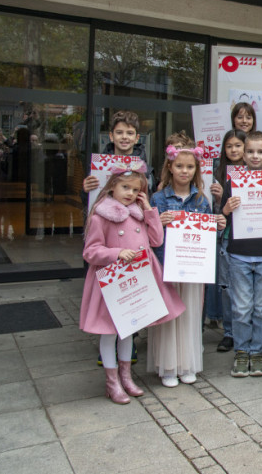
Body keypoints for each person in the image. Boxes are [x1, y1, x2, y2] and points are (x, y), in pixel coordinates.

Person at [79, 164, 185, 404]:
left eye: (135, 189)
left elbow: (157, 240)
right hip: (113, 282)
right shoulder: (100, 216)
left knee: (128, 331)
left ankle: (126, 377)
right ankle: (112, 381)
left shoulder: (139, 211)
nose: (129, 193)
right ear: (112, 186)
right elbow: (91, 251)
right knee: (109, 333)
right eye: (125, 187)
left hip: (137, 278)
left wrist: (149, 210)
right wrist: (116, 252)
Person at [149, 141, 224, 387]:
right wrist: (157, 222)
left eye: (190, 166)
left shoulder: (202, 200)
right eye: (179, 166)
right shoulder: (158, 198)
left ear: (196, 169)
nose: (184, 171)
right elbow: (149, 237)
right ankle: (169, 366)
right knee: (169, 316)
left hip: (192, 268)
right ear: (170, 167)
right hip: (167, 265)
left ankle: (188, 364)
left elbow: (207, 236)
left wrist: (217, 225)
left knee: (191, 315)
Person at [83, 110, 154, 366]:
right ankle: (106, 344)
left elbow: (148, 195)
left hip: (133, 240)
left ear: (137, 138)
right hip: (107, 239)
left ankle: (129, 341)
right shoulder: (99, 165)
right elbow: (92, 203)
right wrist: (86, 189)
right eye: (120, 132)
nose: (125, 137)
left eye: (130, 133)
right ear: (111, 135)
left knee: (131, 293)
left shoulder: (144, 165)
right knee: (106, 296)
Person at [220, 131, 262, 378]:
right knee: (241, 308)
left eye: (260, 152)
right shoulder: (233, 183)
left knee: (260, 308)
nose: (255, 156)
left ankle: (257, 352)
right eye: (250, 151)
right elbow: (221, 217)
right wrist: (225, 209)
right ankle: (241, 352)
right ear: (243, 155)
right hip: (238, 255)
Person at [210, 130, 245, 352]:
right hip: (225, 236)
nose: (233, 150)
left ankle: (245, 330)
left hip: (248, 236)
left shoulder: (256, 172)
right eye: (229, 146)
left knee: (244, 288)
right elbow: (213, 213)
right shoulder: (216, 173)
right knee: (226, 287)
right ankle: (229, 333)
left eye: (238, 145)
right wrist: (220, 200)